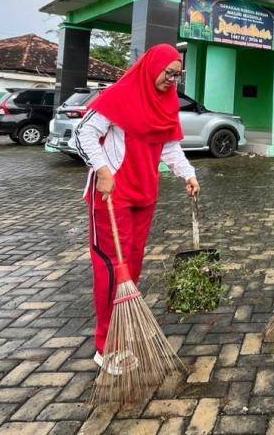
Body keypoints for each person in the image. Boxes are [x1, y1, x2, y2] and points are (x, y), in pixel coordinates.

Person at [75, 44, 200, 372]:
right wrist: (102, 170)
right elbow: (84, 132)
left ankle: (122, 330)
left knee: (132, 268)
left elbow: (170, 146)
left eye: (177, 75)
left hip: (144, 196)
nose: (171, 80)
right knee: (111, 270)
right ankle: (105, 346)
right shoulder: (121, 95)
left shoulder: (166, 104)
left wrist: (188, 173)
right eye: (167, 72)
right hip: (111, 197)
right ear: (151, 66)